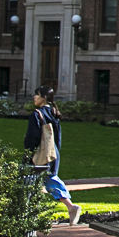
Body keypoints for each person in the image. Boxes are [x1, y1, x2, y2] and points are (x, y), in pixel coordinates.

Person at [23, 86, 82, 225]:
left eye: (37, 95)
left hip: (39, 153)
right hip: (52, 152)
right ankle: (67, 207)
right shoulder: (53, 113)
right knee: (46, 179)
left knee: (38, 179)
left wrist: (28, 153)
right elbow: (58, 137)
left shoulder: (37, 114)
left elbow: (33, 137)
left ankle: (70, 206)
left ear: (44, 97)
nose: (34, 97)